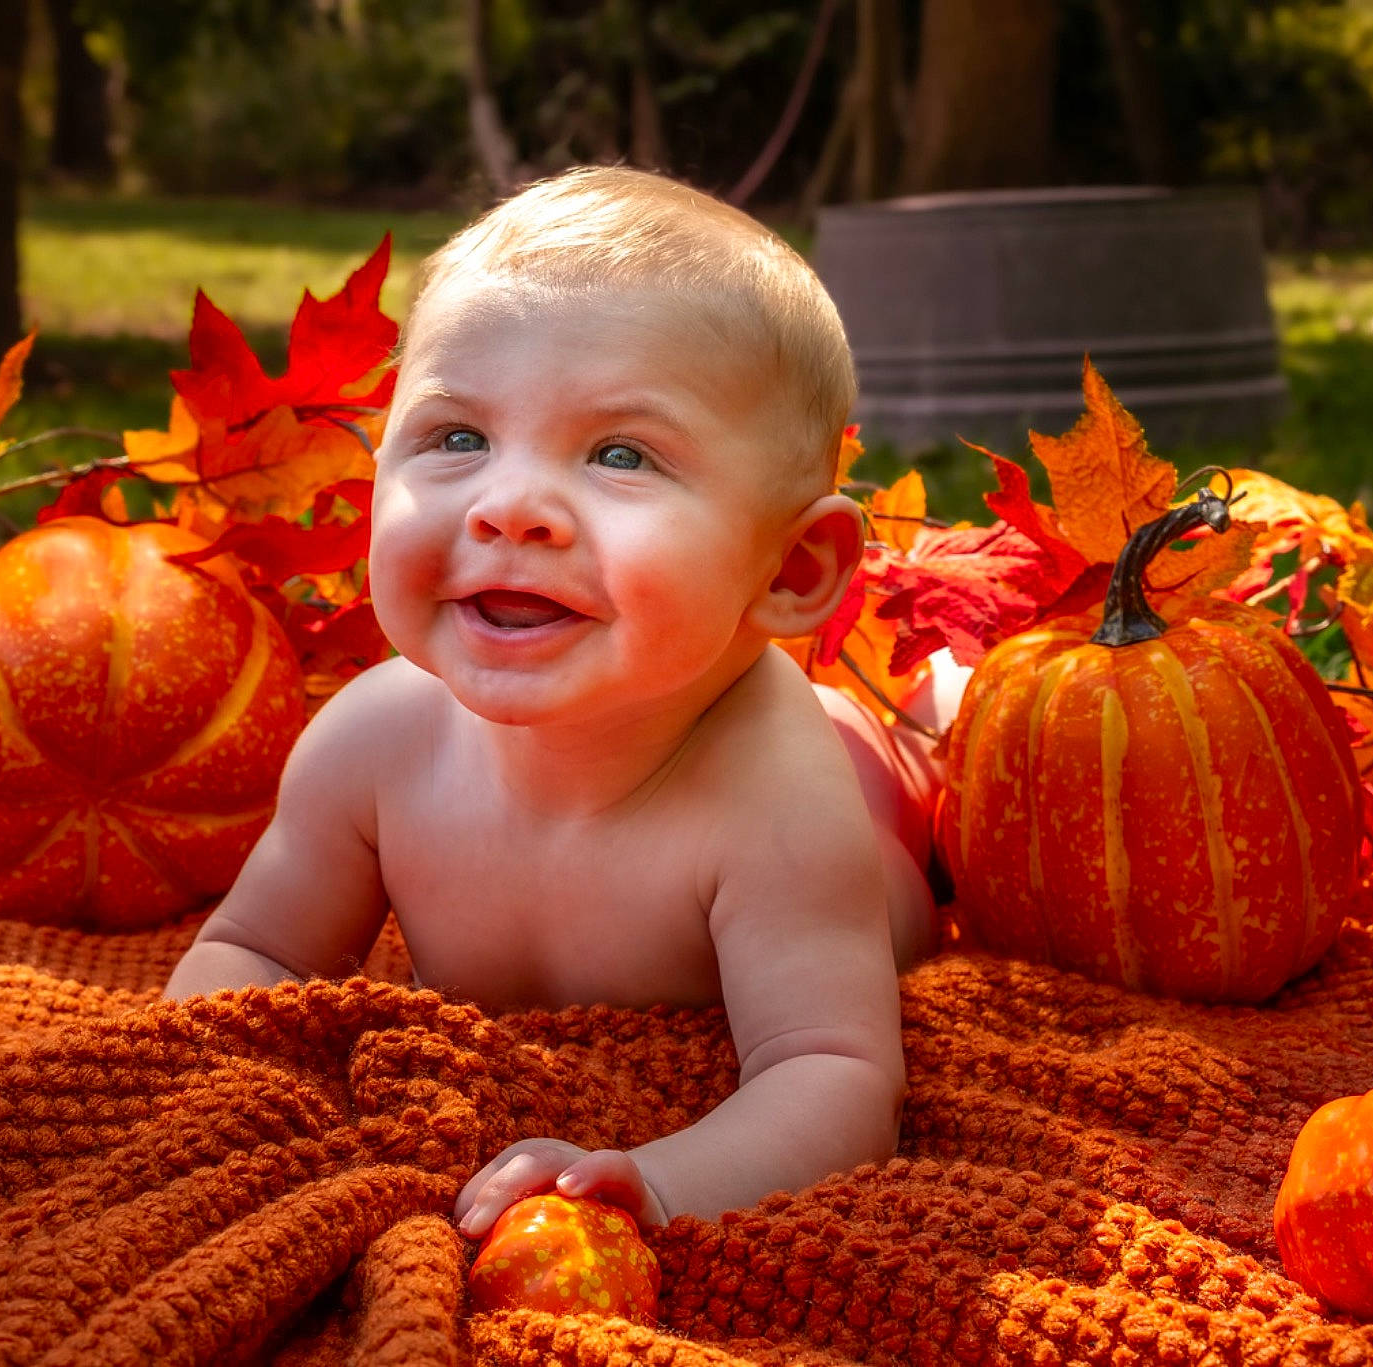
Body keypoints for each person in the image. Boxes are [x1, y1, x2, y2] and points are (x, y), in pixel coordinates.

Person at [163, 164, 968, 1240]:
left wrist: (657, 1180)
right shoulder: (370, 741)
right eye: (457, 437)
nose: (510, 508)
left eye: (619, 453)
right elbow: (254, 953)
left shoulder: (775, 806)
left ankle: (926, 716)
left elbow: (832, 1073)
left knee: (921, 776)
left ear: (789, 571)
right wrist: (216, 1088)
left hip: (846, 792)